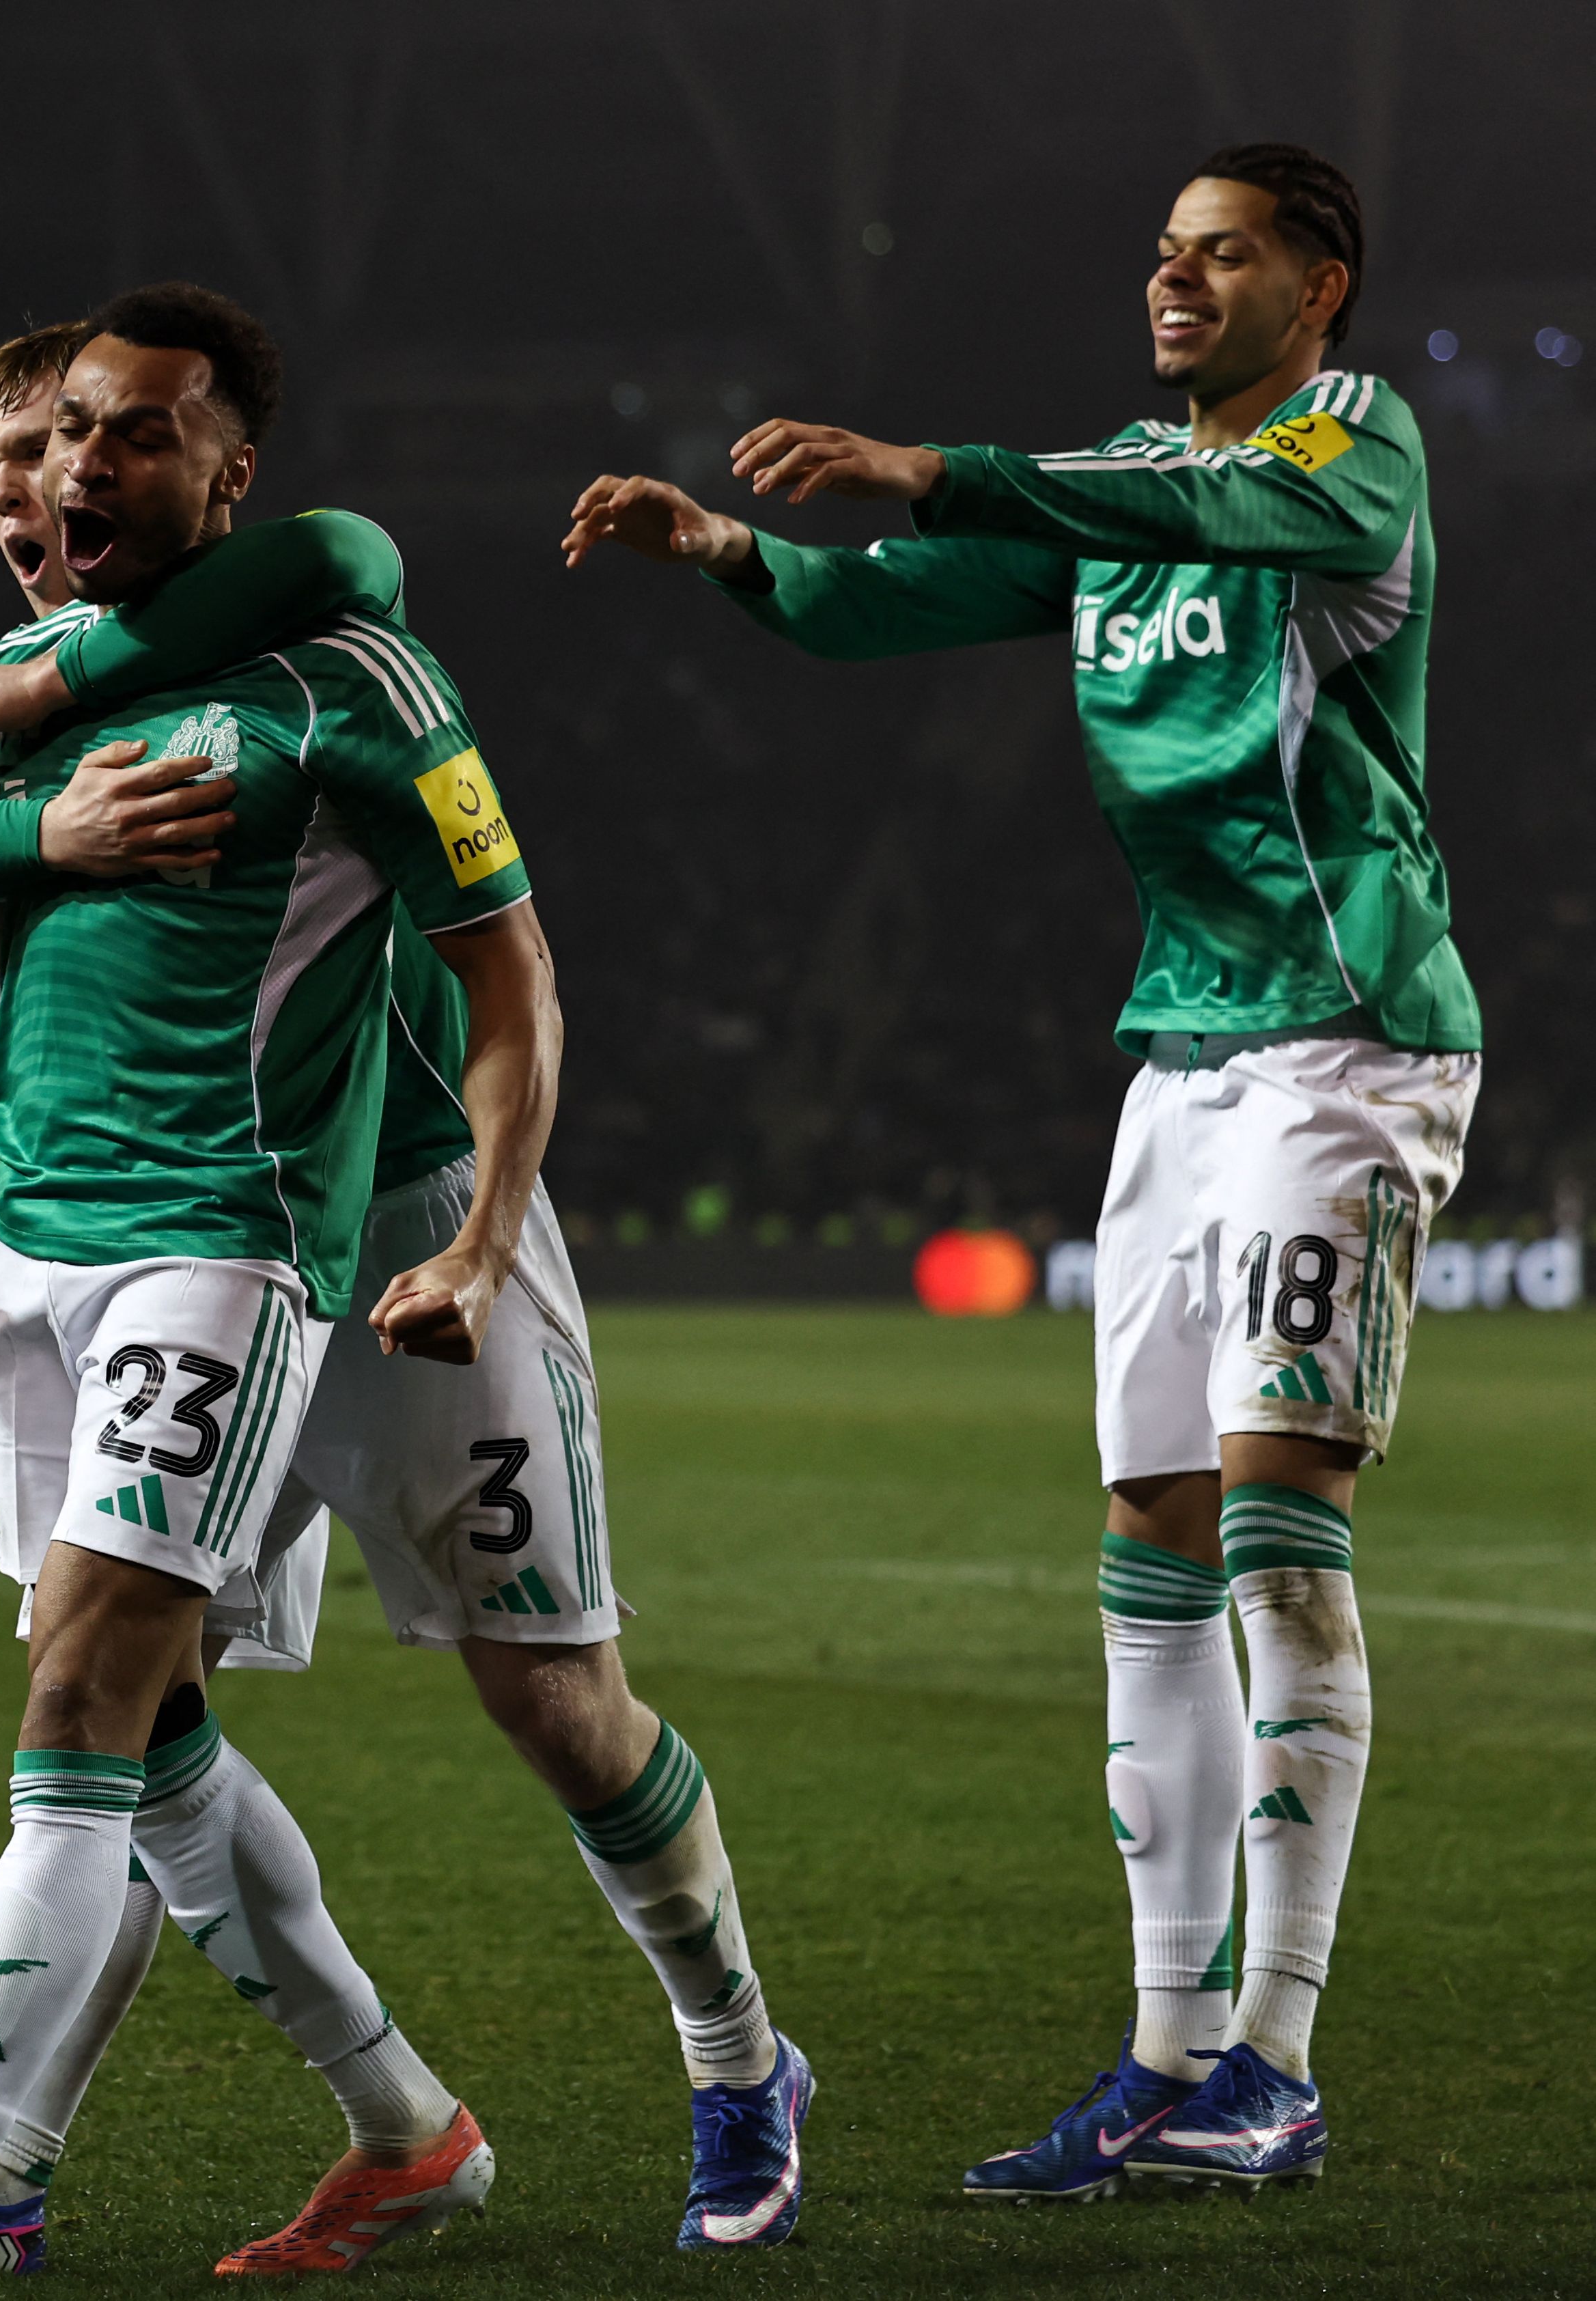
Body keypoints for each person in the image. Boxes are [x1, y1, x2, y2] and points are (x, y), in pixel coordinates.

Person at [563, 143, 1472, 2201]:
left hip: (1347, 1031)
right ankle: (1164, 2053)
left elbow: (1207, 505)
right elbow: (875, 609)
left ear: (1313, 290)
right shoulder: (1120, 492)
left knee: (1272, 1525)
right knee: (1144, 1530)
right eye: (1157, 251)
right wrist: (727, 548)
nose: (1170, 280)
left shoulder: (1354, 450)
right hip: (1178, 1054)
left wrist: (937, 462)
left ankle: (1280, 2054)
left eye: (1218, 253)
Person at [0, 282, 544, 2300]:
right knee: (141, 1744)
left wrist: (480, 1225)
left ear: (222, 470)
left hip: (219, 1241)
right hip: (41, 1248)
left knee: (76, 1698)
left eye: (115, 435)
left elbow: (495, 932)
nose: (66, 473)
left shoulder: (337, 669)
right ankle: (407, 2127)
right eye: (47, 441)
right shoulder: (22, 680)